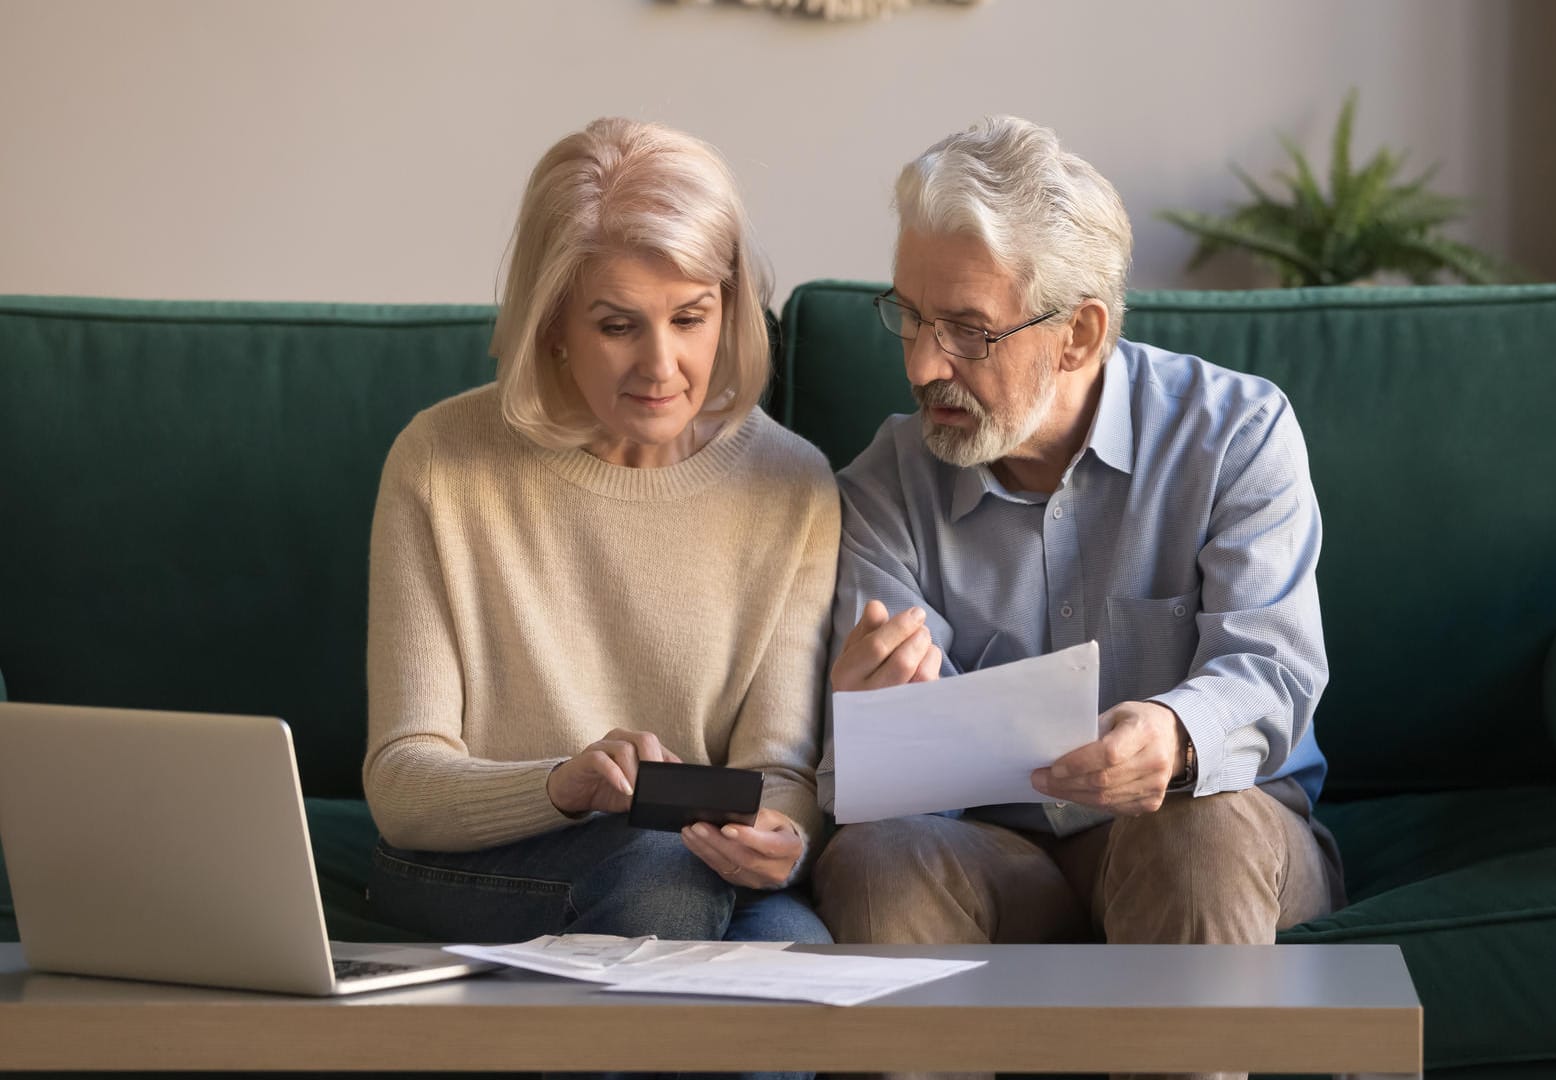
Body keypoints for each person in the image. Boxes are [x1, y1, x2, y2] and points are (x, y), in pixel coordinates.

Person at [813, 116, 1346, 963]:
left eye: (967, 330)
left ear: (1081, 336)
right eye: (909, 318)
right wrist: (870, 721)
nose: (921, 366)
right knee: (881, 859)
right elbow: (870, 788)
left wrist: (1175, 738)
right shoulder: (886, 480)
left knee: (1194, 833)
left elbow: (1272, 672)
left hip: (1213, 828)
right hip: (998, 858)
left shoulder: (1236, 433)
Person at [363, 118, 837, 952]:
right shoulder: (439, 463)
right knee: (656, 879)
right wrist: (562, 785)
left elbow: (782, 773)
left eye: (690, 317)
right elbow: (402, 782)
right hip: (483, 863)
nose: (662, 366)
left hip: (692, 870)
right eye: (618, 326)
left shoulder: (794, 486)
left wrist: (782, 840)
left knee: (791, 946)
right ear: (553, 324)